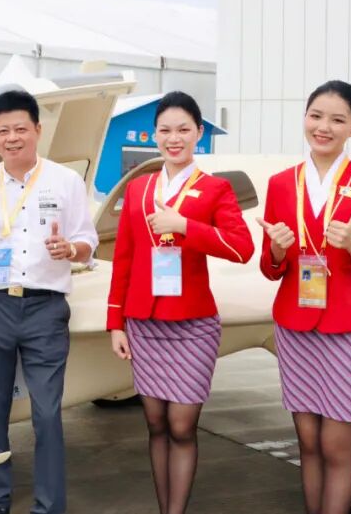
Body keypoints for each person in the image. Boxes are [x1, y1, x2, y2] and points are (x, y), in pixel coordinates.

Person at [0, 89, 98, 514]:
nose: (12, 138)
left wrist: (72, 249)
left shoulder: (64, 181)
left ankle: (49, 507)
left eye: (20, 129)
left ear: (38, 130)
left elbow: (87, 241)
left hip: (46, 308)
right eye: (3, 131)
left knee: (46, 413)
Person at [106, 91, 254, 514]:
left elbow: (242, 248)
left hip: (193, 324)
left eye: (183, 130)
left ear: (199, 133)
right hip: (145, 322)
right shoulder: (138, 189)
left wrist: (185, 225)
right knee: (155, 424)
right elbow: (124, 258)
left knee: (182, 425)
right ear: (155, 135)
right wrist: (116, 322)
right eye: (165, 130)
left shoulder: (215, 188)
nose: (174, 139)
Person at [256, 80, 351, 514]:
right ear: (304, 118)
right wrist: (276, 250)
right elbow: (270, 269)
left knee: (337, 444)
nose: (323, 127)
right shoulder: (282, 184)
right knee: (308, 442)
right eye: (316, 116)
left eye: (337, 120)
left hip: (350, 330)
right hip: (295, 326)